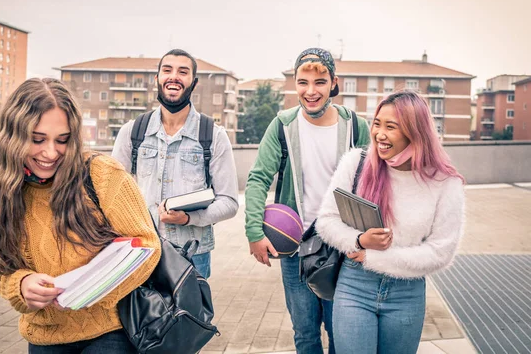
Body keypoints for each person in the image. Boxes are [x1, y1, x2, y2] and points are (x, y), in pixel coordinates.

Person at [0, 78, 161, 353]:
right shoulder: (1, 190)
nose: (50, 153)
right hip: (44, 337)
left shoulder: (102, 174)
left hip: (111, 330)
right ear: (12, 137)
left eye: (62, 140)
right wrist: (21, 285)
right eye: (37, 140)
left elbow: (149, 246)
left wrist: (93, 292)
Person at [316, 90, 466, 354]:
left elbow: (441, 251)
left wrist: (375, 257)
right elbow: (326, 221)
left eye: (391, 127)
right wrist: (359, 240)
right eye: (377, 124)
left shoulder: (445, 182)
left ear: (415, 131)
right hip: (355, 285)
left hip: (407, 293)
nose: (379, 134)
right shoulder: (356, 163)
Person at [244, 48, 370, 354]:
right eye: (303, 82)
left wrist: (365, 241)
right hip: (294, 247)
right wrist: (254, 233)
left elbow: (373, 186)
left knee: (341, 332)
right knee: (305, 333)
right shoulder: (283, 125)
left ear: (333, 83)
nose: (310, 91)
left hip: (340, 246)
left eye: (319, 82)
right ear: (295, 84)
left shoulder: (356, 126)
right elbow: (258, 178)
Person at [112, 49, 239, 279]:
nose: (174, 76)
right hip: (141, 251)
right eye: (167, 70)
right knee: (139, 317)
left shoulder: (213, 136)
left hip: (193, 254)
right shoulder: (132, 132)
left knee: (190, 316)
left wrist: (189, 218)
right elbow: (110, 194)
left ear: (194, 82)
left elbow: (229, 202)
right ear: (157, 79)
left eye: (183, 72)